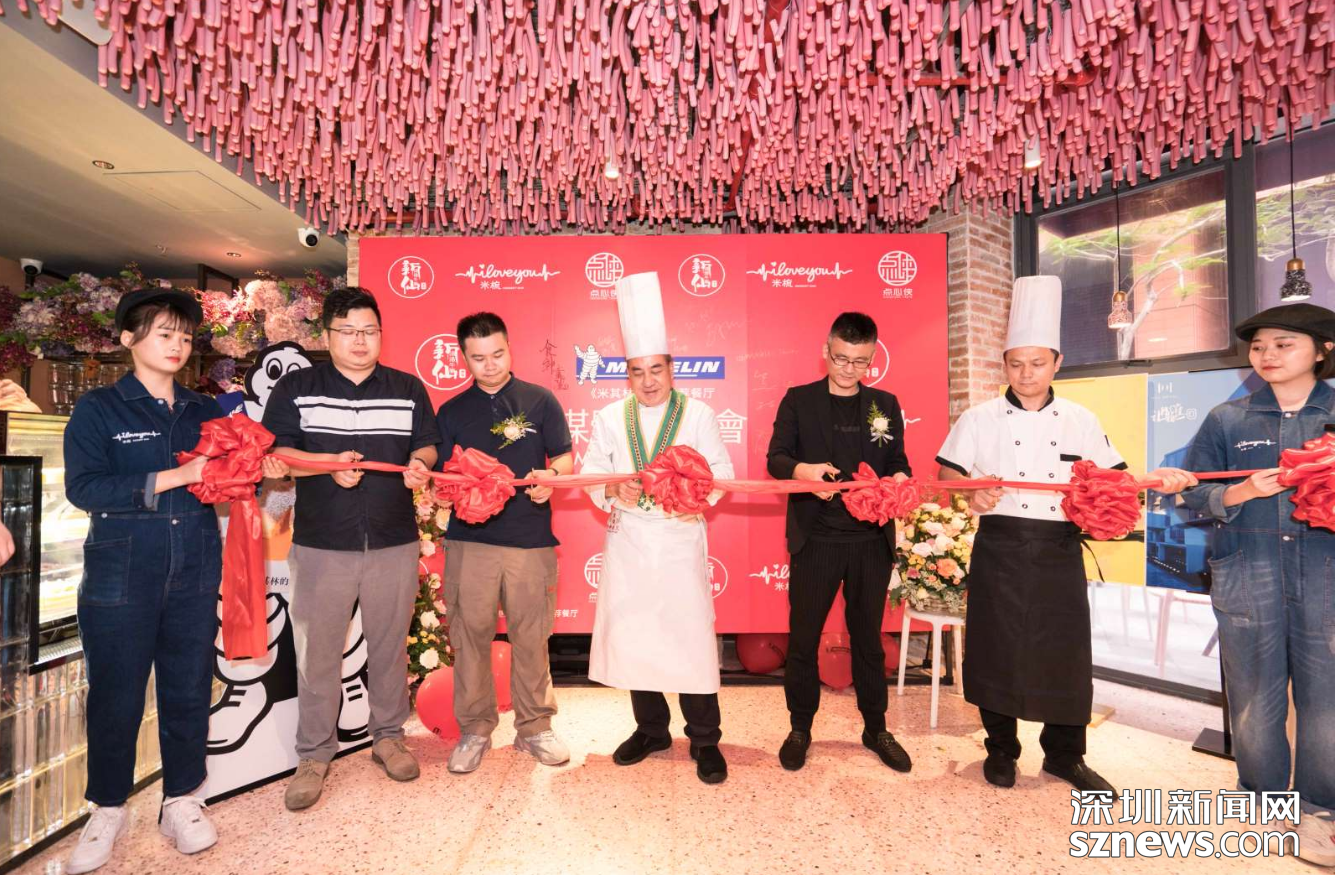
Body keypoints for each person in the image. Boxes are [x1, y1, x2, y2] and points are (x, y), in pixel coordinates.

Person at [935, 276, 1195, 793]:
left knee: (1065, 652)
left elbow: (1117, 480)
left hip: (1058, 547)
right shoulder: (979, 418)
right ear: (1004, 365)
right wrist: (970, 492)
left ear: (1057, 362)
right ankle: (1001, 749)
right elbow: (946, 476)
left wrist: (1157, 479)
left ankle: (1064, 756)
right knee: (996, 647)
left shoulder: (1080, 419)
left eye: (1037, 363)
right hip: (1000, 544)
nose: (1026, 373)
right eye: (1015, 363)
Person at [63, 289, 253, 872]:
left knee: (189, 686)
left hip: (194, 563)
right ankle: (107, 808)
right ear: (129, 339)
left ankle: (182, 800)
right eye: (164, 334)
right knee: (116, 692)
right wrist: (176, 476)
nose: (177, 345)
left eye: (185, 337)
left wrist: (252, 467)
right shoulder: (100, 408)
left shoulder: (204, 409)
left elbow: (228, 477)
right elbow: (84, 489)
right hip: (121, 571)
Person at [261, 287, 440, 811]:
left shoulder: (407, 387)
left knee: (388, 645)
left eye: (369, 331)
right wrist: (326, 466)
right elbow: (278, 454)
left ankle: (389, 737)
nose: (360, 341)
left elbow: (426, 443)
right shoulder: (299, 387)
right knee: (318, 652)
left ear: (381, 334)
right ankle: (314, 754)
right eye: (348, 331)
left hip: (393, 538)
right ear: (327, 335)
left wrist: (421, 464)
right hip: (323, 542)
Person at [1180, 303, 1335, 866]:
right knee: (1253, 697)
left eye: (1283, 344)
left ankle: (1321, 812)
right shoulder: (1227, 419)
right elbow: (1192, 491)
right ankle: (1263, 802)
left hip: (1327, 573)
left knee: (1328, 700)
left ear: (1322, 351)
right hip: (1250, 570)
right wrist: (1241, 492)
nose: (1267, 354)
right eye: (1259, 345)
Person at [580, 272, 735, 784]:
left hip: (678, 538)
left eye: (656, 369)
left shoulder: (699, 414)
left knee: (689, 639)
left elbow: (722, 474)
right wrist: (611, 490)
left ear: (671, 369)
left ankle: (705, 738)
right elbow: (591, 473)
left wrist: (694, 499)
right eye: (637, 371)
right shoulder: (609, 417)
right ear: (627, 375)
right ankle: (651, 730)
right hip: (629, 541)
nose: (648, 381)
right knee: (636, 637)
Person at [765, 312, 914, 773]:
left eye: (860, 361)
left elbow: (899, 460)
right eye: (841, 358)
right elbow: (776, 459)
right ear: (826, 351)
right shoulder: (799, 400)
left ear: (872, 358)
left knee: (868, 638)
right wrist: (804, 472)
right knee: (804, 637)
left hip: (870, 541)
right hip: (817, 538)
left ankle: (876, 728)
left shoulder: (885, 404)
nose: (849, 369)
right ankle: (800, 728)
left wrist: (899, 478)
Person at [436, 311, 573, 774]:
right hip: (470, 541)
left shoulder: (540, 400)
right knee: (470, 635)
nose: (490, 365)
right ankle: (475, 729)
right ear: (464, 358)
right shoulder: (452, 412)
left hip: (529, 538)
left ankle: (535, 728)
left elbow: (565, 458)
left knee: (531, 636)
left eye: (497, 354)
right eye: (479, 358)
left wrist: (550, 477)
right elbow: (441, 475)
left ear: (509, 348)